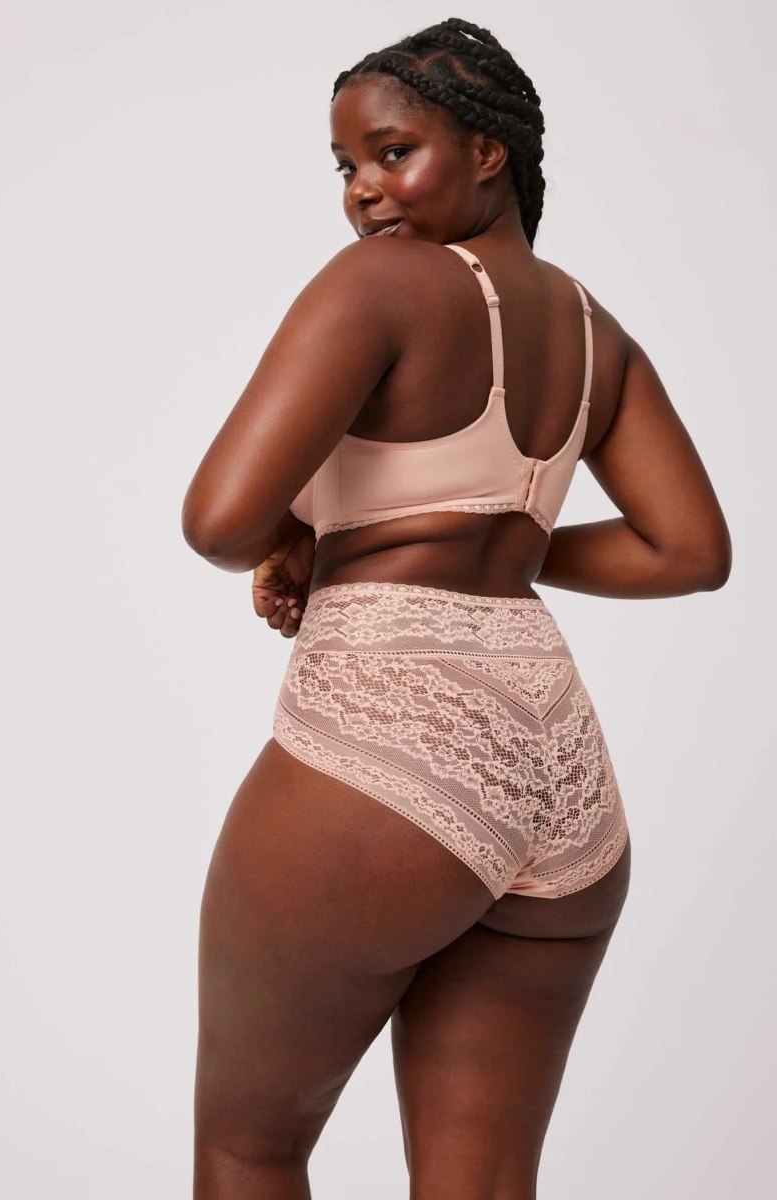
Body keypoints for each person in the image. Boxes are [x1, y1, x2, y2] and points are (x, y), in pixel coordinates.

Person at [181, 17, 732, 1199]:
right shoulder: (594, 332)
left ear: (487, 152)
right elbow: (686, 551)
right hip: (558, 770)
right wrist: (501, 547)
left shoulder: (381, 283)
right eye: (345, 166)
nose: (362, 190)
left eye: (392, 151)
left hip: (389, 739)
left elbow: (219, 520)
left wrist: (301, 539)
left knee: (249, 1145)